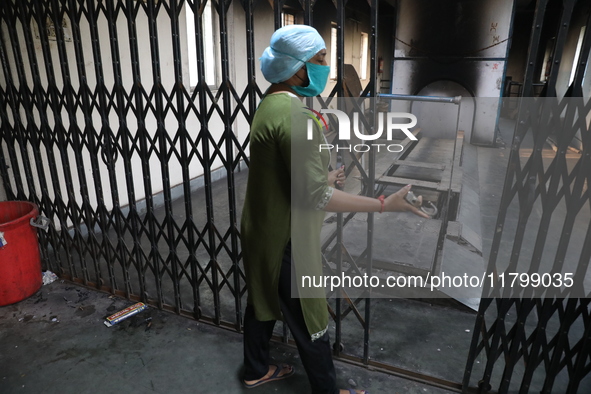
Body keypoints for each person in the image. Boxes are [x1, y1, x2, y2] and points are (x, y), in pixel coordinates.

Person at [240, 24, 428, 394]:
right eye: (321, 59)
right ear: (296, 68)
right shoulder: (295, 116)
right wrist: (383, 203)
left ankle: (255, 368)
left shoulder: (270, 104)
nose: (327, 67)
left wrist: (322, 178)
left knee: (262, 297)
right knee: (311, 316)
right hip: (286, 238)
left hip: (261, 227)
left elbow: (284, 175)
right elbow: (317, 199)